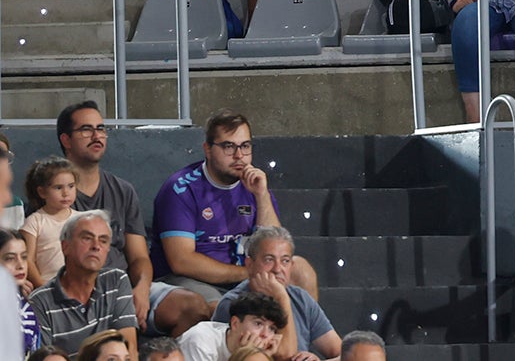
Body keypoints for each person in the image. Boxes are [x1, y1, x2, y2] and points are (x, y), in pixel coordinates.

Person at [54, 103, 188, 336]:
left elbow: (139, 257)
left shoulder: (123, 190)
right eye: (86, 129)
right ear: (66, 140)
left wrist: (142, 289)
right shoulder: (54, 194)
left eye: (101, 129)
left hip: (124, 288)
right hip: (79, 293)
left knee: (190, 307)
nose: (96, 136)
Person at [151, 111, 306, 311]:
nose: (239, 155)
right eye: (228, 146)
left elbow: (275, 244)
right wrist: (249, 273)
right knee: (219, 308)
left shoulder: (254, 185)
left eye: (245, 146)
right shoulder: (181, 189)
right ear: (208, 149)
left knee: (301, 271)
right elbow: (182, 261)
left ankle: (301, 331)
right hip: (190, 280)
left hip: (245, 275)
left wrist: (261, 196)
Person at [207, 228, 336, 360]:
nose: (277, 269)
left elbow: (340, 353)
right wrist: (282, 298)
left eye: (285, 261)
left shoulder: (301, 299)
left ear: (291, 266)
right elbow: (285, 354)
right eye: (269, 260)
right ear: (250, 265)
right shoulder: (232, 304)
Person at [28, 213, 134, 358]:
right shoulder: (39, 302)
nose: (96, 246)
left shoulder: (116, 281)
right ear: (65, 246)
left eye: (103, 241)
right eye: (87, 238)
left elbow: (128, 351)